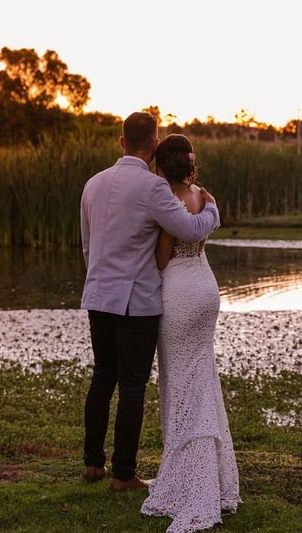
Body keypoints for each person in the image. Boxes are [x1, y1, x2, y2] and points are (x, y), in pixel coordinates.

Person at [80, 113, 220, 492]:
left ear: (121, 141)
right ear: (154, 145)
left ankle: (93, 463)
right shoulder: (154, 188)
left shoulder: (92, 184)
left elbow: (88, 247)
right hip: (137, 301)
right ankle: (124, 474)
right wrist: (211, 209)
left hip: (98, 295)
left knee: (102, 377)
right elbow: (190, 229)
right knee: (132, 387)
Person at [140, 134, 240, 531]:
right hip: (207, 289)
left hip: (180, 293)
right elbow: (208, 220)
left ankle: (191, 483)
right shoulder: (203, 197)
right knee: (203, 380)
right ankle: (216, 480)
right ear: (190, 163)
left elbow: (163, 257)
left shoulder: (168, 202)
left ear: (162, 165)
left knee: (181, 384)